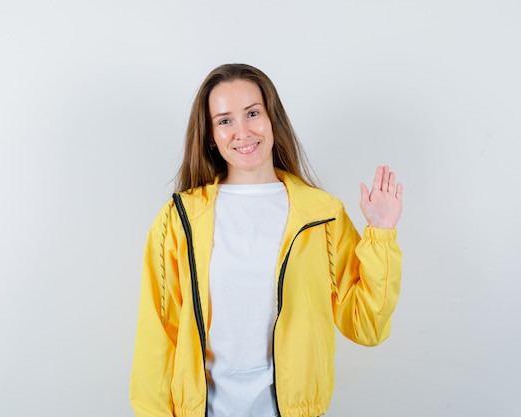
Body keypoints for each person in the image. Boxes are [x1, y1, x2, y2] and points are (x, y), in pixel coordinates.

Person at [129, 63, 403, 417]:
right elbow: (157, 334)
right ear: (210, 135)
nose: (242, 131)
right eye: (225, 120)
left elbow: (366, 325)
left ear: (272, 118)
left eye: (252, 113)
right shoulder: (179, 219)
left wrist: (380, 234)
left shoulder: (321, 215)